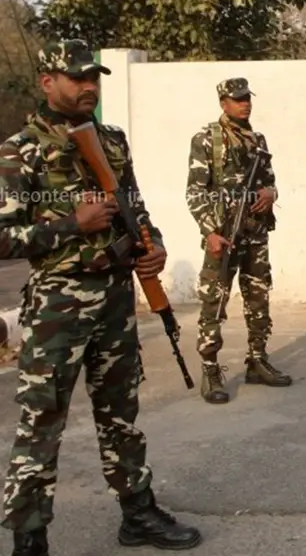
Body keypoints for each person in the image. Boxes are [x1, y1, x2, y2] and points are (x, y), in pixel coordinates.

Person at [0, 40, 202, 554]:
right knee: (42, 419)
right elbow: (2, 237)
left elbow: (134, 203)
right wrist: (73, 223)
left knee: (121, 414)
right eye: (76, 77)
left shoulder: (111, 140)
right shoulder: (18, 149)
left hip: (115, 298)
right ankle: (29, 538)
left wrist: (150, 247)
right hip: (57, 307)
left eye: (94, 77)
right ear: (48, 82)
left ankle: (137, 512)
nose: (89, 85)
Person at [185, 77, 291, 405]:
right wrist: (210, 232)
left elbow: (270, 181)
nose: (245, 103)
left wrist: (269, 194)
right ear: (223, 103)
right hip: (224, 234)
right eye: (238, 99)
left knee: (258, 297)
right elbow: (194, 192)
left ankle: (257, 360)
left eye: (247, 98)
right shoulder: (207, 139)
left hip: (255, 232)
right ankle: (211, 369)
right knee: (214, 303)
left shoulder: (257, 141)